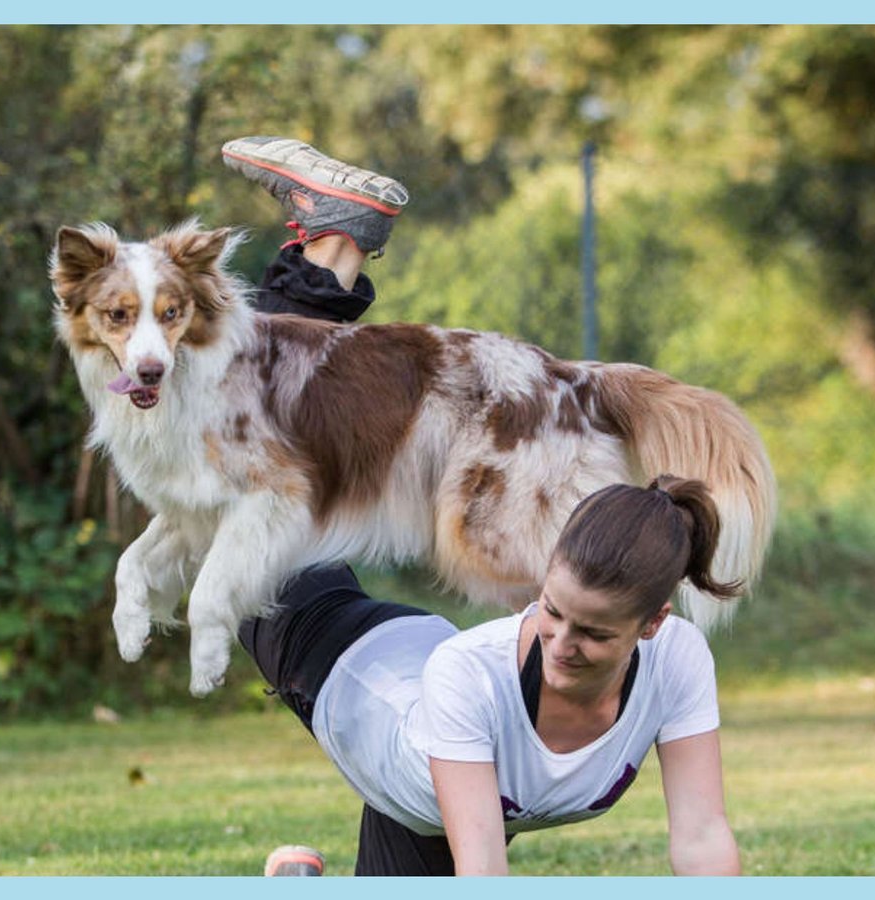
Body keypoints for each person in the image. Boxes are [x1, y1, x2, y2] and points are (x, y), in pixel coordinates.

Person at [220, 136, 742, 877]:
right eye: (549, 612)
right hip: (348, 666)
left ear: (655, 624)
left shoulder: (678, 661)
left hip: (426, 782)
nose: (558, 643)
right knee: (240, 468)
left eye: (591, 633)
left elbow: (701, 837)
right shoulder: (473, 676)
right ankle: (331, 245)